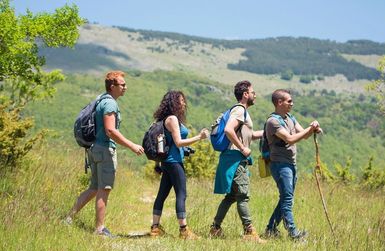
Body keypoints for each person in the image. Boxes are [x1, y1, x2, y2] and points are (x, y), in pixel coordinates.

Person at [66, 71, 144, 237]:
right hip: (104, 150)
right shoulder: (110, 104)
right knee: (104, 188)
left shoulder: (101, 100)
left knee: (94, 187)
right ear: (112, 86)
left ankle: (69, 218)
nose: (125, 87)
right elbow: (110, 130)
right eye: (122, 85)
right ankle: (100, 229)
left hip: (94, 149)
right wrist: (131, 145)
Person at [209, 80, 264, 242]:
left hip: (232, 158)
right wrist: (242, 148)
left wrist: (268, 131)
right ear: (245, 94)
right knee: (243, 195)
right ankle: (249, 232)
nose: (255, 95)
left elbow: (250, 135)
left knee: (232, 196)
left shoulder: (242, 112)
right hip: (235, 158)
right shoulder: (239, 110)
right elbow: (228, 130)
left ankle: (215, 228)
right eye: (253, 92)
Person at [150, 90, 209, 240]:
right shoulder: (172, 119)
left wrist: (185, 150)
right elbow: (178, 142)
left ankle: (155, 229)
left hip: (167, 162)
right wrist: (199, 137)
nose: (184, 103)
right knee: (181, 194)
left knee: (162, 195)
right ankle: (184, 231)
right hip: (174, 163)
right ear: (174, 102)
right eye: (181, 100)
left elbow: (168, 143)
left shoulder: (165, 120)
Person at [264, 89, 321, 240]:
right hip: (280, 165)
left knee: (285, 198)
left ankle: (270, 229)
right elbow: (290, 139)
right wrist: (310, 129)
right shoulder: (273, 121)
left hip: (290, 164)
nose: (292, 104)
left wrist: (313, 128)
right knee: (287, 199)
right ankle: (294, 234)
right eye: (289, 101)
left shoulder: (290, 118)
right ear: (279, 102)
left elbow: (304, 135)